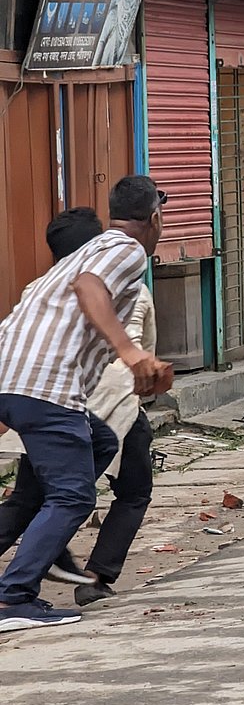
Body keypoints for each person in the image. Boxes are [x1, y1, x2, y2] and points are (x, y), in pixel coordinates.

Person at [0, 177, 168, 634]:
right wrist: (132, 354)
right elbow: (91, 288)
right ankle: (15, 596)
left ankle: (48, 549)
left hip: (14, 382)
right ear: (154, 217)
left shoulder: (72, 258)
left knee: (98, 442)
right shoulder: (126, 250)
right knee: (74, 496)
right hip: (47, 387)